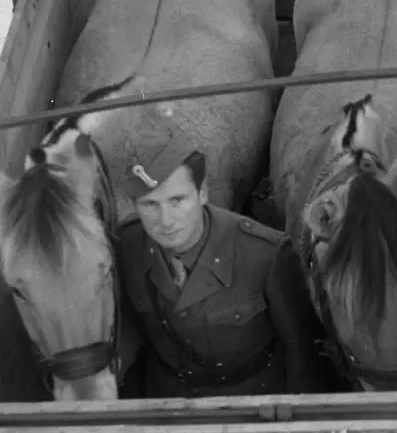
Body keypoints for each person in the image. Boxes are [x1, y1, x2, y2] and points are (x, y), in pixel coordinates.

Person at [115, 118, 330, 398]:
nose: (165, 220)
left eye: (177, 200)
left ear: (203, 193)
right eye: (150, 205)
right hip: (166, 398)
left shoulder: (264, 254)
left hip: (251, 399)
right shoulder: (127, 245)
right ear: (134, 206)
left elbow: (303, 349)